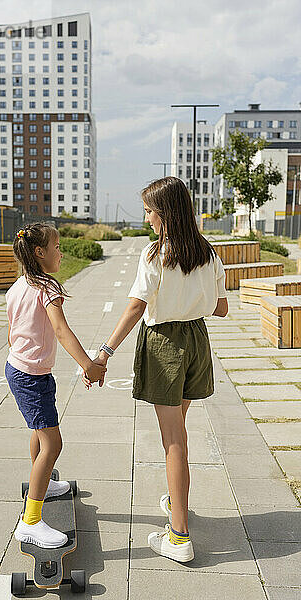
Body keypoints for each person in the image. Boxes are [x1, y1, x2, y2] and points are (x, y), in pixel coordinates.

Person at [84, 177, 228, 562]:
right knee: (179, 429)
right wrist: (191, 297)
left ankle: (179, 536)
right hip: (197, 341)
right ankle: (175, 499)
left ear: (165, 214)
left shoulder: (155, 255)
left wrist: (103, 353)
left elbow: (135, 307)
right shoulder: (208, 253)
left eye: (149, 211)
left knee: (173, 441)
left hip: (165, 344)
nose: (146, 218)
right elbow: (221, 308)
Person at [5, 223, 106, 549]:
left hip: (21, 370)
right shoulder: (47, 287)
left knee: (40, 432)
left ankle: (43, 483)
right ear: (40, 252)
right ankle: (30, 522)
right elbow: (61, 331)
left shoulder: (18, 286)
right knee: (52, 444)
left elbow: (12, 331)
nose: (61, 252)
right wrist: (88, 365)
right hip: (31, 377)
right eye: (57, 247)